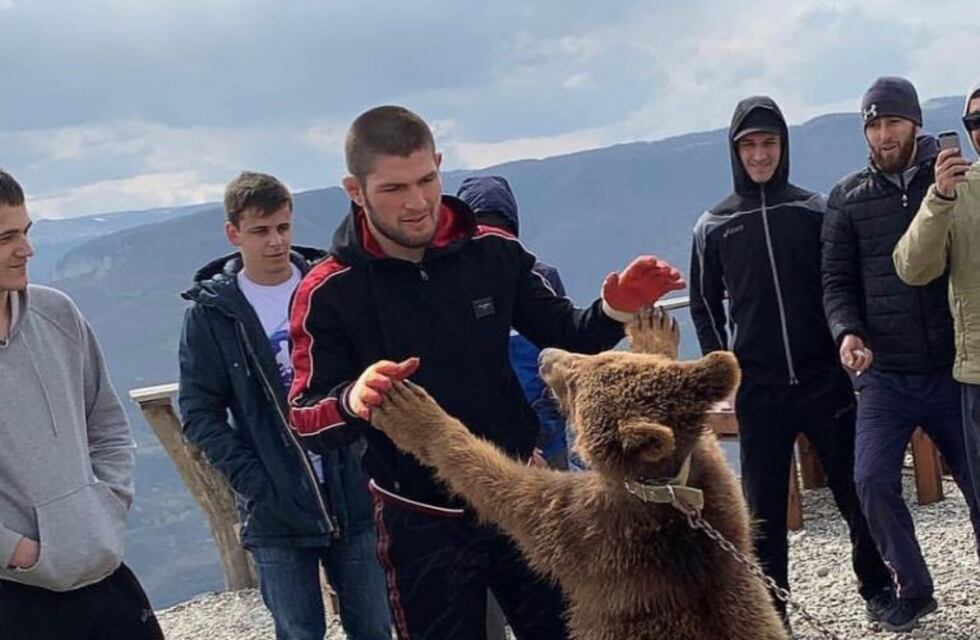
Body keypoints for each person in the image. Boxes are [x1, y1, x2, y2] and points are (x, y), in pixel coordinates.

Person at [287, 105, 684, 640]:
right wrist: (354, 399)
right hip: (420, 516)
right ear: (354, 191)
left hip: (523, 494)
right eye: (394, 189)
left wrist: (614, 310)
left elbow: (568, 333)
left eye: (427, 180)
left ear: (441, 165)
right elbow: (306, 416)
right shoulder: (326, 291)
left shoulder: (493, 252)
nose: (417, 203)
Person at [689, 96, 892, 631]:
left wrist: (851, 340)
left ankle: (878, 589)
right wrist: (721, 374)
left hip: (825, 378)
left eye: (770, 143)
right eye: (750, 145)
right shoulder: (712, 225)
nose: (760, 155)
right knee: (762, 517)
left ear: (784, 147)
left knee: (856, 494)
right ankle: (771, 618)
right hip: (760, 390)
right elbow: (704, 304)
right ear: (735, 151)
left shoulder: (812, 209)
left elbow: (839, 282)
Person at [178, 172, 390, 640]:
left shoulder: (328, 288)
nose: (275, 241)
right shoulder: (213, 313)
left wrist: (366, 457)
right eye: (260, 231)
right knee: (297, 631)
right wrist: (256, 481)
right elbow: (199, 411)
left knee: (375, 627)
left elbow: (372, 369)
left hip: (352, 491)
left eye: (282, 227)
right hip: (274, 510)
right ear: (234, 234)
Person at [823, 77, 980, 632]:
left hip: (954, 368)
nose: (884, 135)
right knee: (871, 480)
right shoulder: (847, 199)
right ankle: (913, 589)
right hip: (884, 374)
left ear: (915, 123)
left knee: (978, 479)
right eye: (874, 125)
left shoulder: (959, 180)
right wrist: (847, 332)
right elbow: (836, 281)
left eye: (893, 122)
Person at [0, 168, 164, 640]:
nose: (26, 249)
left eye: (26, 232)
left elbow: (107, 422)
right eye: (7, 237)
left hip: (104, 577)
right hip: (13, 598)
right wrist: (17, 551)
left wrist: (107, 505)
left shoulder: (58, 313)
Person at [894, 81, 980, 507]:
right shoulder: (957, 191)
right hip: (976, 374)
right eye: (975, 121)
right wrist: (940, 196)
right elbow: (912, 267)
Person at [456, 174, 571, 469]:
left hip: (547, 433)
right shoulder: (451, 286)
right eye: (480, 226)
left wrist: (542, 428)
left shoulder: (539, 278)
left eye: (500, 225)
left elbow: (563, 356)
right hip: (488, 440)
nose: (492, 235)